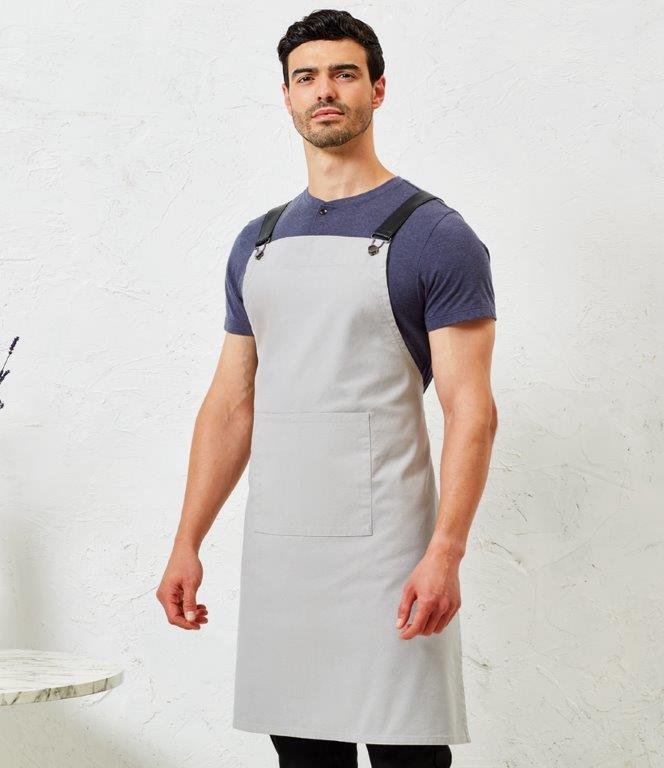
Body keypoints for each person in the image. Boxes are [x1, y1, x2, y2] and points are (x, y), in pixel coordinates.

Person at [157, 9, 498, 767]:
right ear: (286, 96)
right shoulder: (259, 242)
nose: (325, 91)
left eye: (345, 73)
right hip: (282, 548)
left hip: (392, 548)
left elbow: (470, 411)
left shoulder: (434, 234)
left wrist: (446, 552)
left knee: (408, 751)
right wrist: (187, 542)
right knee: (303, 753)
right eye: (306, 77)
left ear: (378, 89)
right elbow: (230, 405)